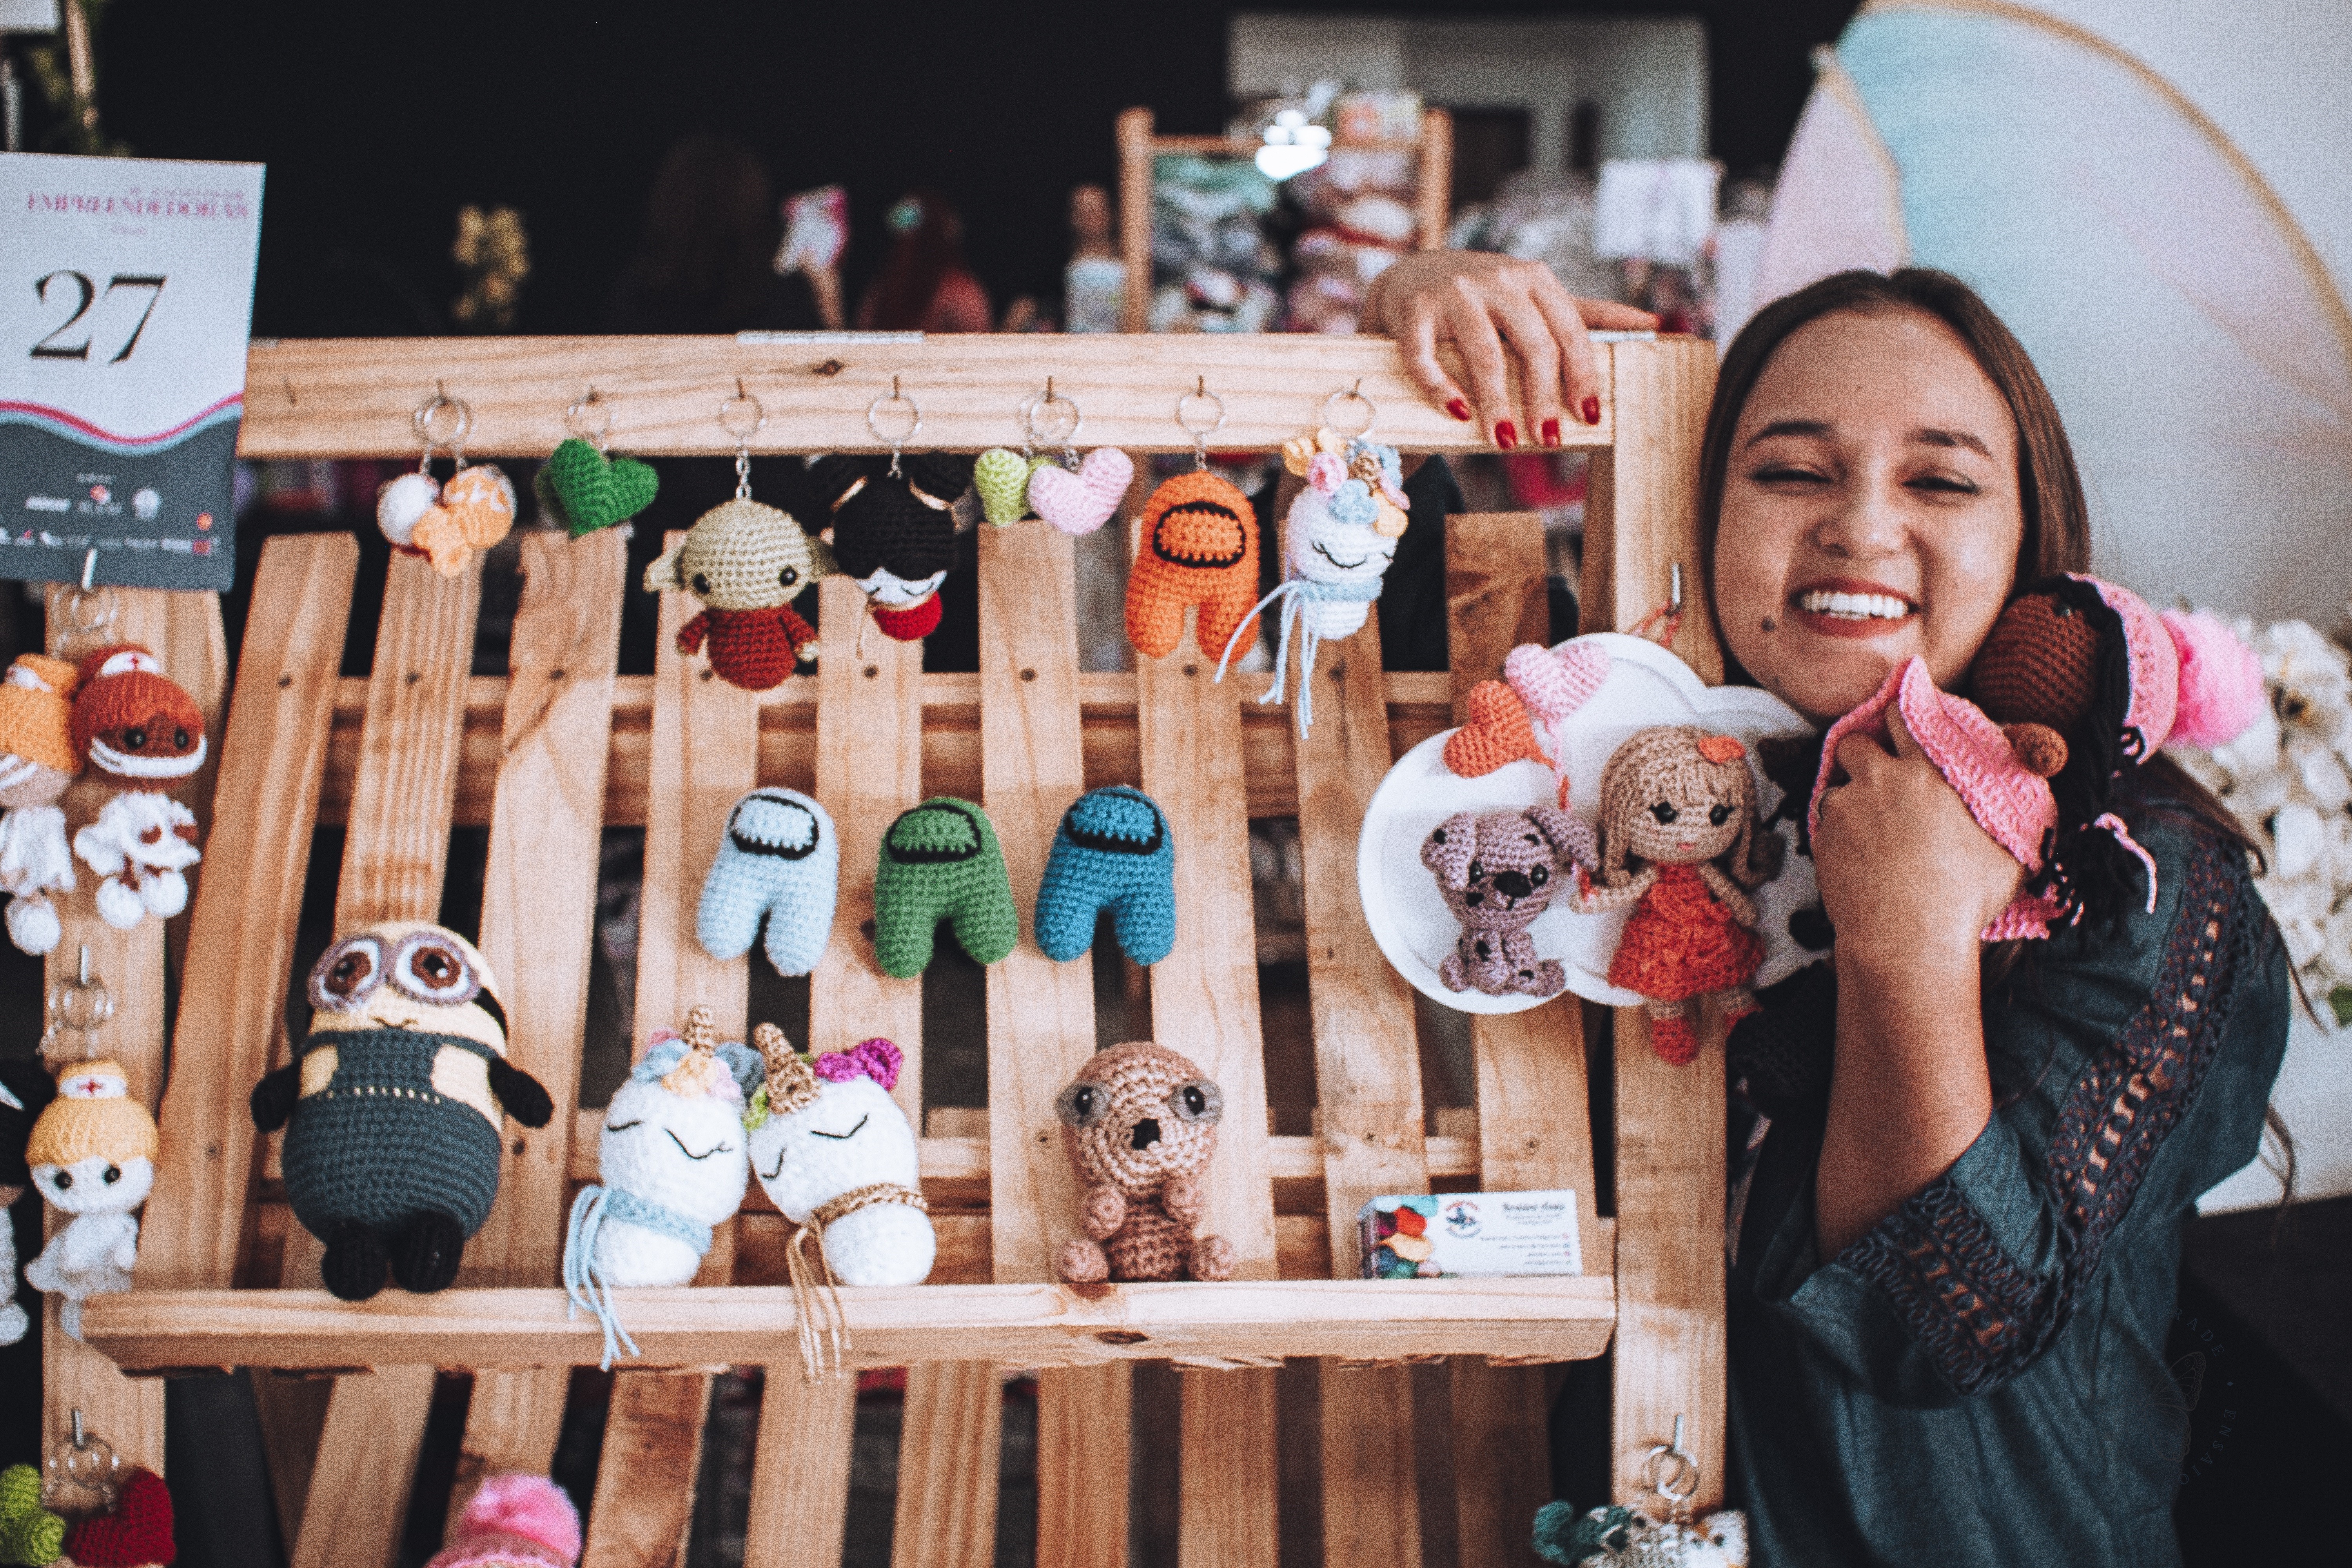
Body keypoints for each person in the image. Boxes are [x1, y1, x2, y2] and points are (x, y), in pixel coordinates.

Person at [1365, 256, 2290, 1566]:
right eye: (1794, 471)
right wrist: (1403, 337)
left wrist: (1910, 931)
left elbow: (1934, 1323)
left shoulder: (2139, 881)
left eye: (1941, 479)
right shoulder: (1635, 766)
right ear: (1706, 504)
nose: (1861, 525)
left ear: (2030, 538)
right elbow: (1382, 678)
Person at [858, 189, 992, 333]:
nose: (906, 246)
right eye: (901, 239)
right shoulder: (881, 293)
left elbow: (975, 351)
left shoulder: (961, 295)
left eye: (918, 238)